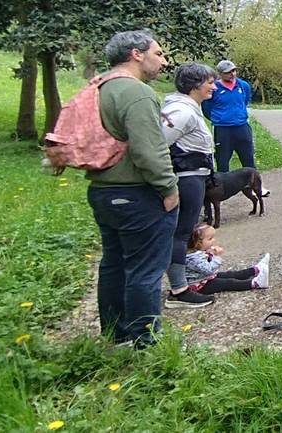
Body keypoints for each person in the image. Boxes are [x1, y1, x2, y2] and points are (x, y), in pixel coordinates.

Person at [86, 30, 179, 347]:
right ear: (136, 54)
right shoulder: (137, 93)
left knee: (113, 264)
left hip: (103, 190)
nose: (163, 61)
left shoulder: (99, 87)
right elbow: (148, 151)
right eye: (158, 53)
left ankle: (116, 335)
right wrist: (169, 188)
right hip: (136, 193)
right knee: (145, 270)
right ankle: (145, 342)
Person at [160, 62, 218, 309]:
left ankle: (182, 282)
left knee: (183, 231)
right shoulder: (181, 111)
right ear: (195, 85)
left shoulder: (188, 108)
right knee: (181, 232)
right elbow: (157, 144)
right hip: (186, 177)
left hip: (195, 175)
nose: (214, 87)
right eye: (210, 83)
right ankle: (179, 289)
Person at [203, 60, 266, 198]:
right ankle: (221, 188)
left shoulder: (243, 85)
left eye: (233, 71)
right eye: (228, 72)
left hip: (242, 127)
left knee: (248, 157)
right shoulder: (214, 88)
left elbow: (245, 101)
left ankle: (256, 185)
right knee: (222, 160)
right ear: (220, 74)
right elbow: (206, 108)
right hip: (222, 129)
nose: (232, 74)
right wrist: (219, 118)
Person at [184, 223, 270, 294]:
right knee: (227, 283)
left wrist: (210, 253)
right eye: (210, 239)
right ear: (198, 243)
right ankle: (255, 283)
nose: (213, 240)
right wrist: (216, 256)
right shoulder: (193, 258)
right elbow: (208, 269)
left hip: (205, 278)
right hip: (199, 286)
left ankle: (255, 270)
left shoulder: (199, 252)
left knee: (230, 274)